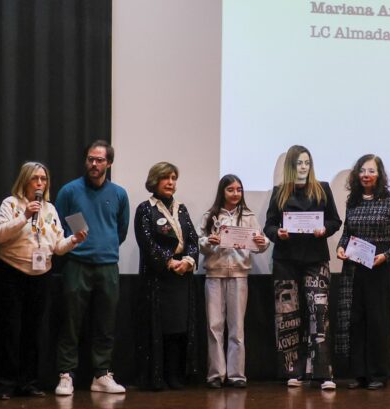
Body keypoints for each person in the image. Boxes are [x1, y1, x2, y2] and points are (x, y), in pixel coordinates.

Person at [0, 161, 87, 400]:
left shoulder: (51, 209)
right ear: (25, 180)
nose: (40, 183)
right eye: (35, 179)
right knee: (10, 330)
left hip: (41, 274)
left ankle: (29, 382)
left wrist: (74, 239)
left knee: (33, 331)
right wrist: (25, 216)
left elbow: (58, 247)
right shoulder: (11, 203)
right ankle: (5, 384)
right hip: (11, 272)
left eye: (44, 179)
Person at [53, 140, 130, 395]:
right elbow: (59, 226)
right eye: (90, 159)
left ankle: (101, 375)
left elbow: (120, 231)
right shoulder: (69, 191)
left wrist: (102, 246)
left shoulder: (119, 193)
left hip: (108, 266)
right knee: (71, 323)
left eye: (99, 160)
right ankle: (66, 374)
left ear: (109, 163)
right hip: (77, 264)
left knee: (105, 324)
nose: (93, 164)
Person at [264, 145, 342, 390]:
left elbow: (335, 220)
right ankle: (292, 372)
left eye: (307, 162)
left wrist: (325, 230)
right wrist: (278, 232)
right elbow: (269, 225)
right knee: (287, 317)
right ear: (291, 166)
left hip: (316, 260)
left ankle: (323, 374)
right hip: (286, 261)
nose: (304, 167)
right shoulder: (279, 192)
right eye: (299, 163)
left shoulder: (323, 188)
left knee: (318, 315)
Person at [335, 154, 390, 390]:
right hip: (355, 268)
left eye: (371, 171)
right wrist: (340, 247)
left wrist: (386, 256)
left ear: (380, 175)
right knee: (356, 320)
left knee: (378, 320)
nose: (366, 175)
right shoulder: (353, 200)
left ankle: (378, 374)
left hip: (380, 266)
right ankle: (359, 374)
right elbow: (347, 232)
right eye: (363, 171)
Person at [134, 162, 200, 390]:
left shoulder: (181, 208)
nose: (171, 182)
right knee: (158, 328)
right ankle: (156, 376)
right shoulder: (145, 208)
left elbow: (193, 240)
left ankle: (175, 375)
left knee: (179, 329)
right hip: (158, 278)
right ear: (155, 181)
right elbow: (146, 243)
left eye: (173, 178)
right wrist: (168, 261)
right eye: (166, 178)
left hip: (182, 278)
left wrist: (189, 261)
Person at [199, 174, 269, 389]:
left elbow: (262, 242)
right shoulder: (210, 215)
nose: (235, 193)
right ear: (223, 191)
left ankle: (237, 375)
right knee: (214, 326)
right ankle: (215, 375)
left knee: (237, 328)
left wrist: (261, 242)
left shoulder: (248, 216)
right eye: (231, 189)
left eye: (239, 189)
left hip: (239, 275)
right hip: (214, 274)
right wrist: (209, 241)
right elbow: (199, 242)